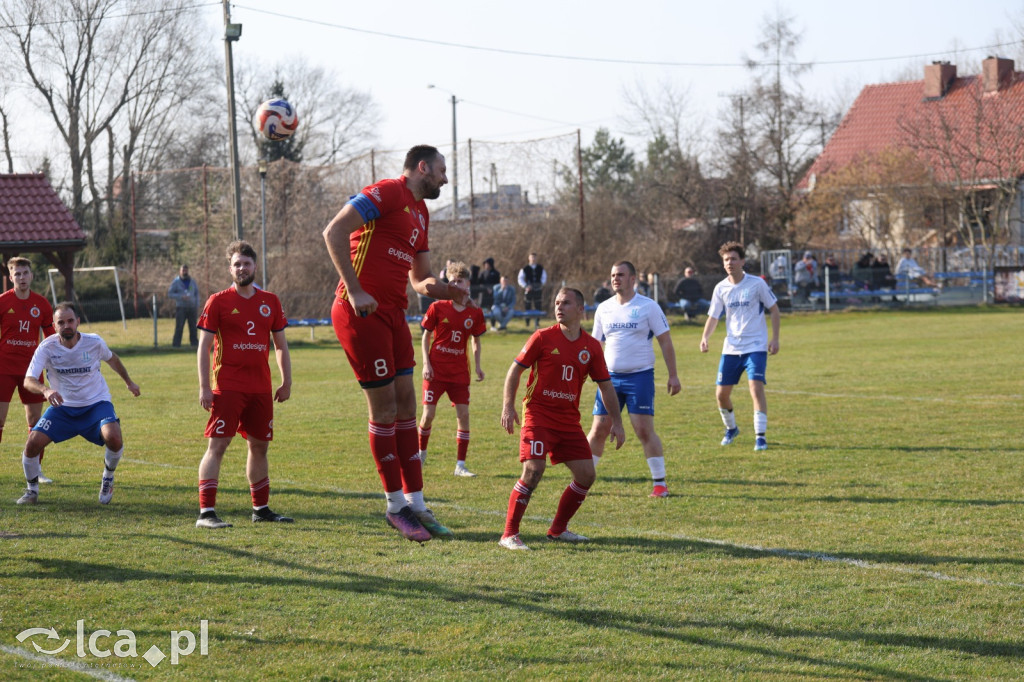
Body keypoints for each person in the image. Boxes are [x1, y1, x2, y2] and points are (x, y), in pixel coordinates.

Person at [323, 144, 464, 543]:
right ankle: (394, 506)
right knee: (384, 409)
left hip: (394, 315)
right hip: (360, 312)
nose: (445, 178)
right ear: (422, 167)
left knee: (407, 403)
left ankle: (417, 504)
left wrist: (446, 291)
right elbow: (333, 231)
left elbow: (420, 280)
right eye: (441, 170)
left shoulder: (421, 213)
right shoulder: (386, 192)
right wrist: (354, 290)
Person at [498, 287, 626, 550]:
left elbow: (606, 386)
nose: (559, 307)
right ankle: (509, 535)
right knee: (533, 470)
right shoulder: (542, 337)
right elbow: (514, 371)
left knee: (586, 475)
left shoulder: (591, 347)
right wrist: (507, 407)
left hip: (568, 421)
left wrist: (617, 421)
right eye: (557, 302)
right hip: (538, 415)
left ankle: (558, 530)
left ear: (581, 309)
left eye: (566, 303)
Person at [195, 241, 293, 529]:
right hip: (227, 387)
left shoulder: (271, 301)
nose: (241, 268)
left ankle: (261, 509)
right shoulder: (218, 301)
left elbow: (281, 346)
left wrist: (286, 381)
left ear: (254, 266)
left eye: (246, 264)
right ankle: (206, 513)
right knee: (218, 445)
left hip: (261, 388)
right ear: (230, 269)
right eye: (237, 264)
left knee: (259, 446)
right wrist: (204, 387)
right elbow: (203, 347)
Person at [15, 302, 140, 505]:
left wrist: (129, 382)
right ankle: (32, 491)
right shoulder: (47, 347)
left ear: (78, 322)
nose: (67, 326)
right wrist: (46, 390)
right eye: (61, 322)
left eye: (70, 321)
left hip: (96, 404)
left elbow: (113, 359)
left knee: (114, 437)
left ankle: (108, 477)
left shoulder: (94, 342)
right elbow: (28, 380)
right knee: (32, 444)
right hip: (63, 408)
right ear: (54, 326)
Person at [587, 261, 681, 498]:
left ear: (633, 279)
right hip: (608, 380)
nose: (615, 279)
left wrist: (673, 375)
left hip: (640, 377)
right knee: (599, 429)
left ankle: (660, 484)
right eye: (612, 275)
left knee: (643, 429)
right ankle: (583, 480)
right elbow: (594, 344)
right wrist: (587, 370)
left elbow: (665, 341)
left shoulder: (648, 307)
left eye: (620, 275)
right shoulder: (604, 309)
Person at [700, 241, 781, 452]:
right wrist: (705, 337)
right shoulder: (721, 288)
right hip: (731, 348)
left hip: (755, 346)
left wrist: (775, 339)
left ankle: (760, 437)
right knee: (721, 395)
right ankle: (731, 429)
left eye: (733, 259)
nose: (730, 263)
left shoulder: (757, 284)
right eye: (726, 260)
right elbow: (713, 317)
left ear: (742, 261)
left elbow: (774, 310)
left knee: (755, 388)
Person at [417, 262, 486, 478]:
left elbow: (476, 341)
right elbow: (426, 337)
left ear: (468, 284)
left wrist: (478, 366)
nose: (456, 284)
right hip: (435, 371)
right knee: (428, 415)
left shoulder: (475, 312)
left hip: (458, 373)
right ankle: (420, 455)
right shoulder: (437, 307)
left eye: (460, 281)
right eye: (452, 281)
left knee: (463, 415)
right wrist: (426, 364)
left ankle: (460, 465)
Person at [0, 257, 55, 483]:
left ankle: (36, 471)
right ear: (10, 277)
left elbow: (51, 337)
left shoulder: (42, 304)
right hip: (3, 369)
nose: (22, 278)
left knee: (36, 423)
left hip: (32, 371)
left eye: (25, 273)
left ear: (32, 275)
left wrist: (57, 361)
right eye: (17, 274)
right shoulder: (3, 301)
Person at [168, 264, 200, 348]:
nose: (184, 272)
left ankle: (194, 344)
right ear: (180, 271)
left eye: (186, 270)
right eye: (183, 270)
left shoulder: (192, 281)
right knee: (179, 326)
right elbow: (170, 294)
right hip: (181, 308)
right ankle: (176, 345)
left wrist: (197, 305)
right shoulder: (176, 282)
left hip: (192, 307)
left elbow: (196, 294)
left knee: (193, 327)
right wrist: (180, 297)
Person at [517, 252, 546, 328]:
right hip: (528, 290)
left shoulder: (540, 268)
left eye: (534, 257)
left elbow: (544, 278)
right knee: (527, 305)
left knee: (538, 305)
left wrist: (540, 284)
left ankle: (537, 322)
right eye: (531, 257)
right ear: (529, 258)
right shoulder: (525, 268)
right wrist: (526, 286)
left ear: (536, 258)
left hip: (537, 289)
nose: (533, 259)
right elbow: (520, 279)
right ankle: (527, 322)